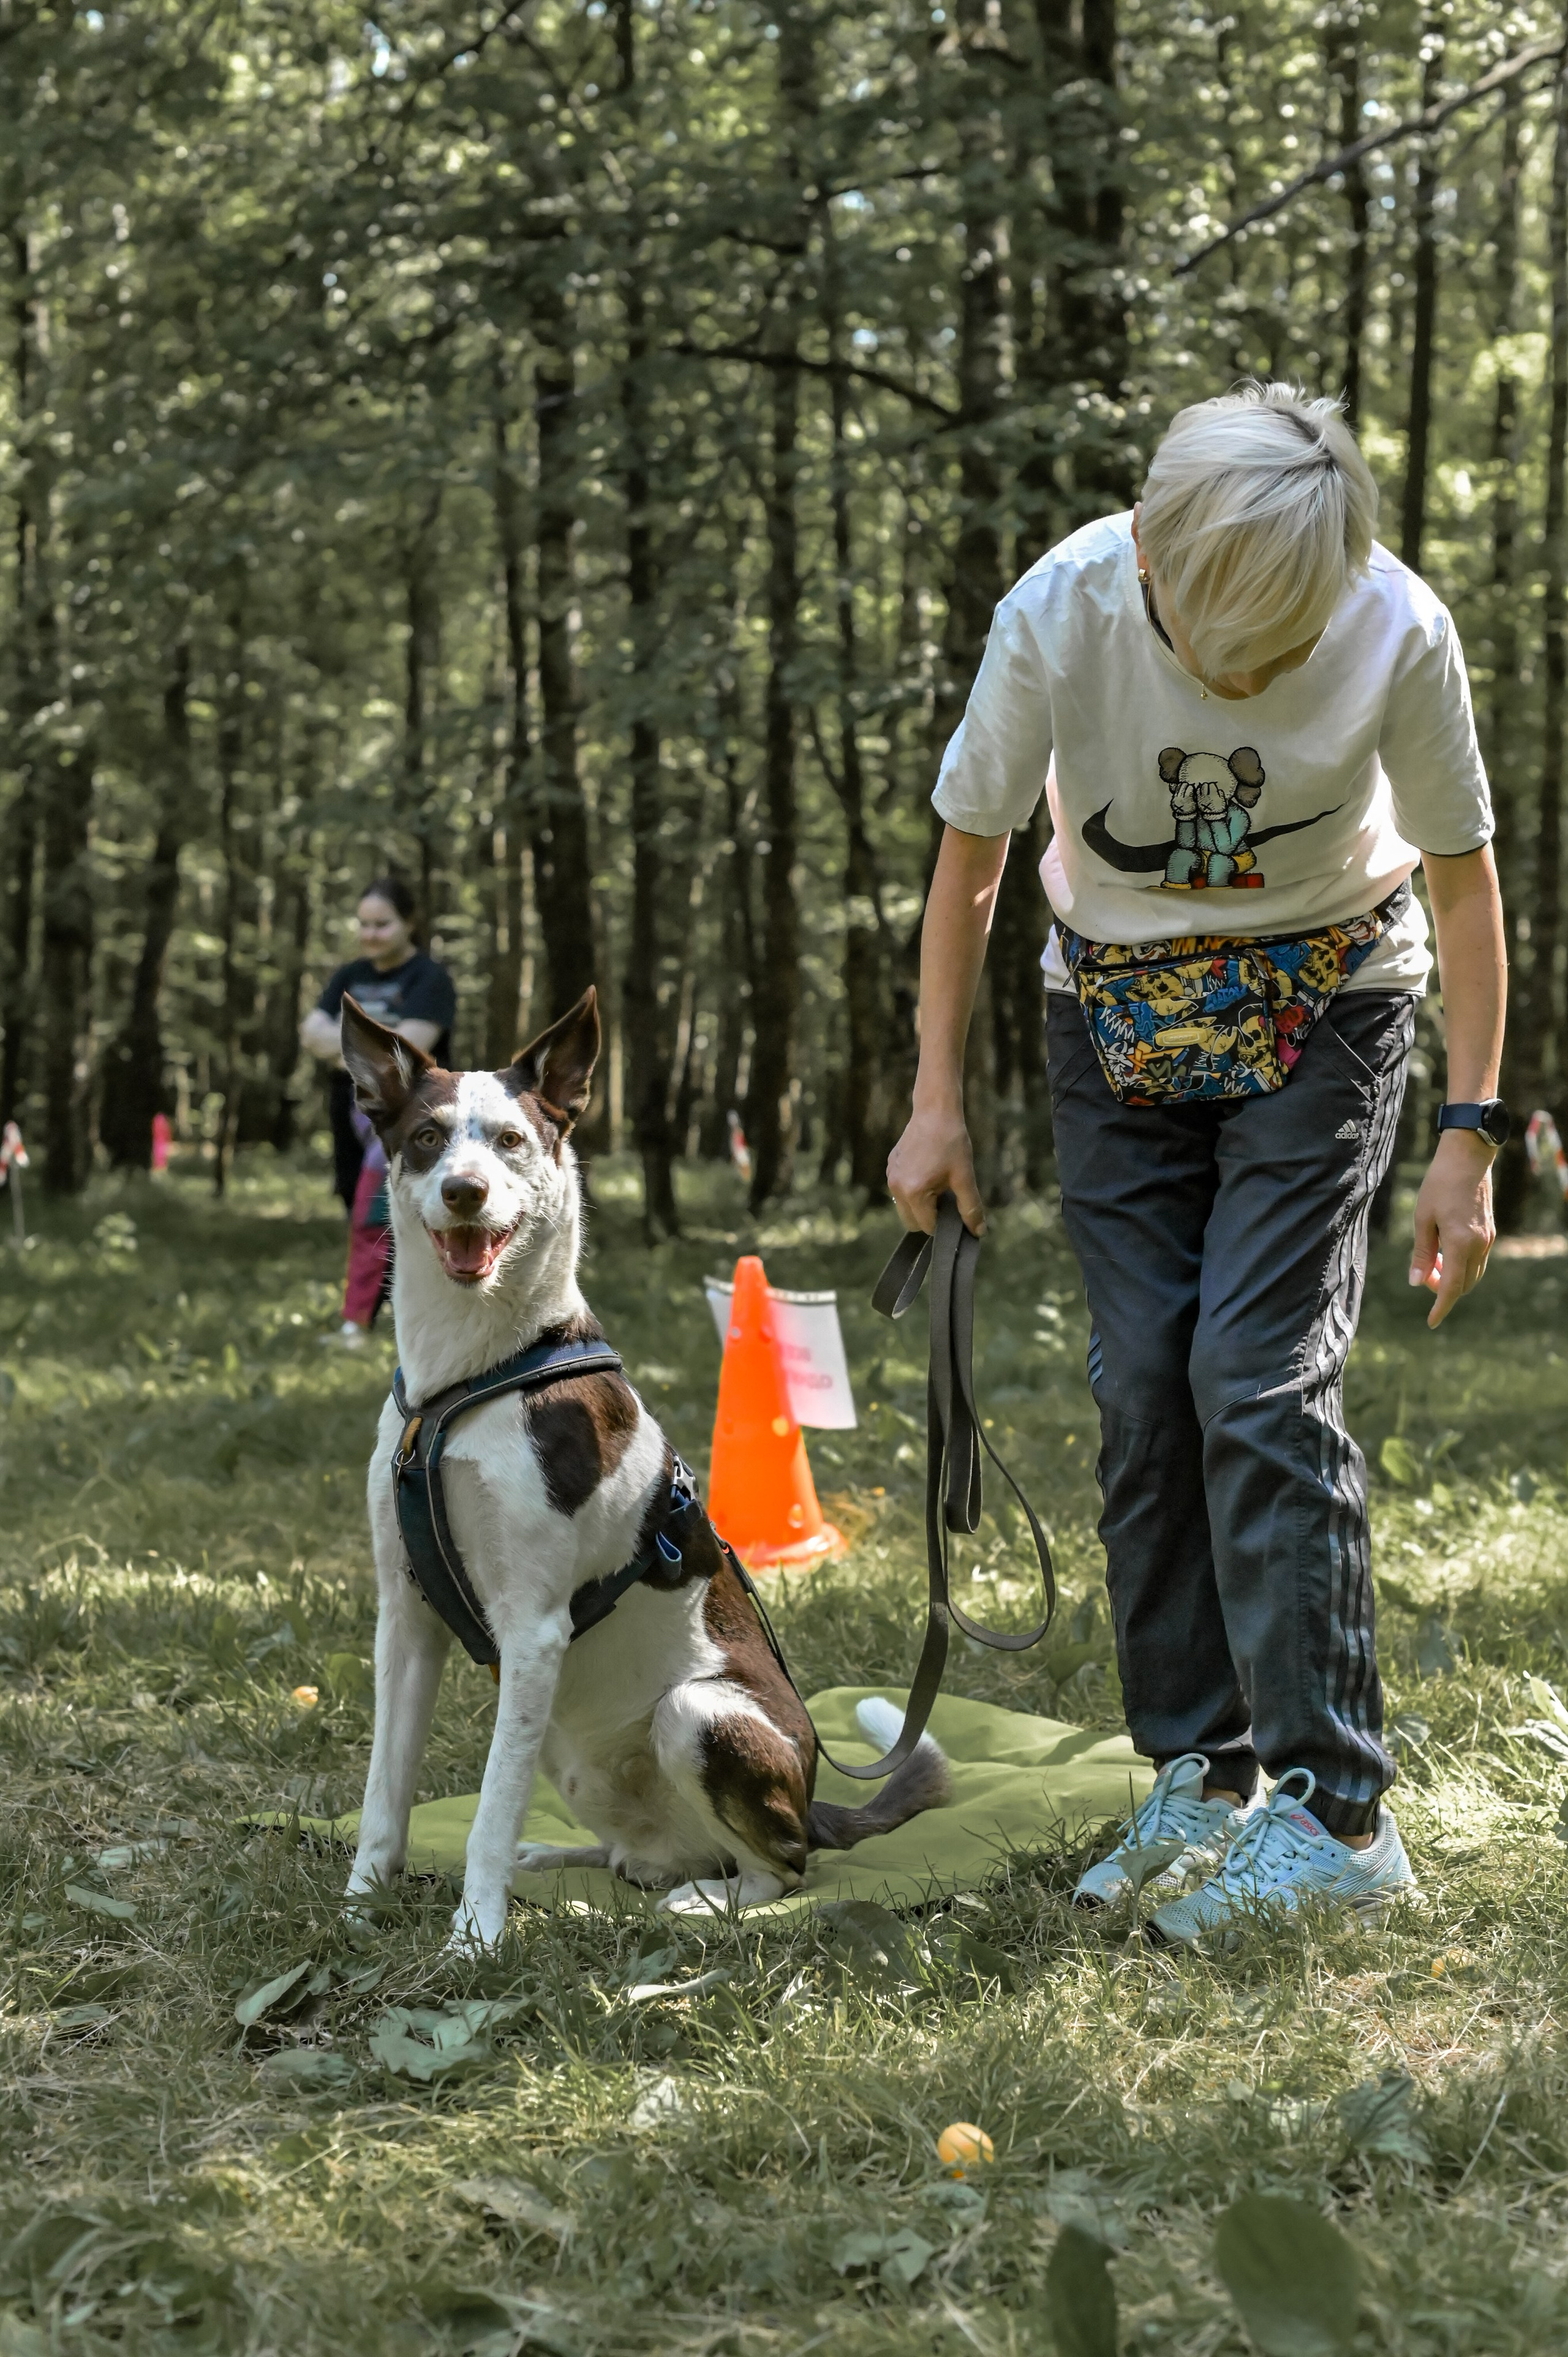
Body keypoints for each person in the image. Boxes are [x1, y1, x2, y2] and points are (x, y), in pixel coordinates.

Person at [888, 383, 1506, 1944]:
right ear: (1152, 555)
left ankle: (1337, 1809)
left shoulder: (1396, 626)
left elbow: (1462, 879)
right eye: (1218, 643)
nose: (1245, 677)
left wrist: (1468, 1135)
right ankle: (1200, 1767)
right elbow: (969, 864)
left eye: (1280, 651)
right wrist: (932, 1100)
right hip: (1110, 1007)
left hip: (1330, 998)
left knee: (1256, 1373)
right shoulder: (1058, 611)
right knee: (1139, 1381)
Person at [301, 877, 457, 1347]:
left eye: (382, 925)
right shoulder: (349, 975)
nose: (370, 935)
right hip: (348, 1109)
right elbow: (311, 1033)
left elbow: (407, 1054)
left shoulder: (429, 979)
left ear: (409, 923)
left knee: (400, 1213)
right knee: (359, 1204)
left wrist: (349, 1043)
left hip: (410, 1121)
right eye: (364, 924)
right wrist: (371, 1044)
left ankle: (392, 1318)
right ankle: (380, 1313)